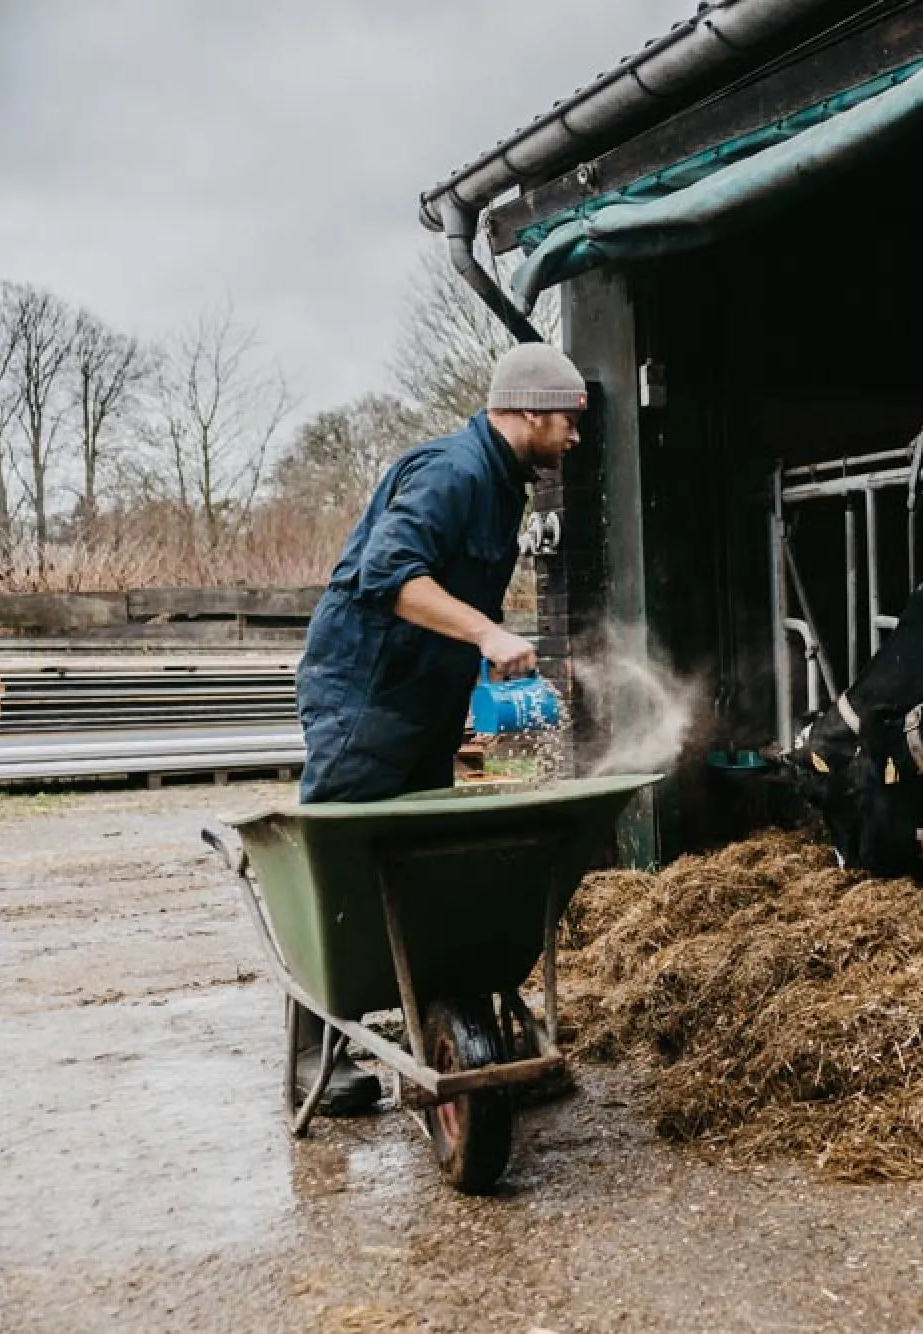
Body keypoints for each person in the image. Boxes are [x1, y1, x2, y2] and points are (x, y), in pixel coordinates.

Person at [289, 342, 585, 1113]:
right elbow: (390, 578)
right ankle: (311, 1055)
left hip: (421, 697)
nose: (576, 436)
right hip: (364, 694)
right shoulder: (453, 472)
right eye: (569, 418)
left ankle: (445, 1041)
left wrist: (484, 654)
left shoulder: (501, 485)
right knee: (342, 868)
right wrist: (489, 634)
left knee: (424, 870)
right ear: (527, 410)